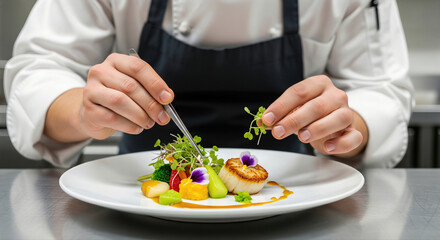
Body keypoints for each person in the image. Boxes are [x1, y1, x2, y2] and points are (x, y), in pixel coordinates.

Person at [4, 0, 413, 168]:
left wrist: (349, 123)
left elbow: (381, 91)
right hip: (135, 200)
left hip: (298, 199)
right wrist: (81, 112)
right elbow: (39, 71)